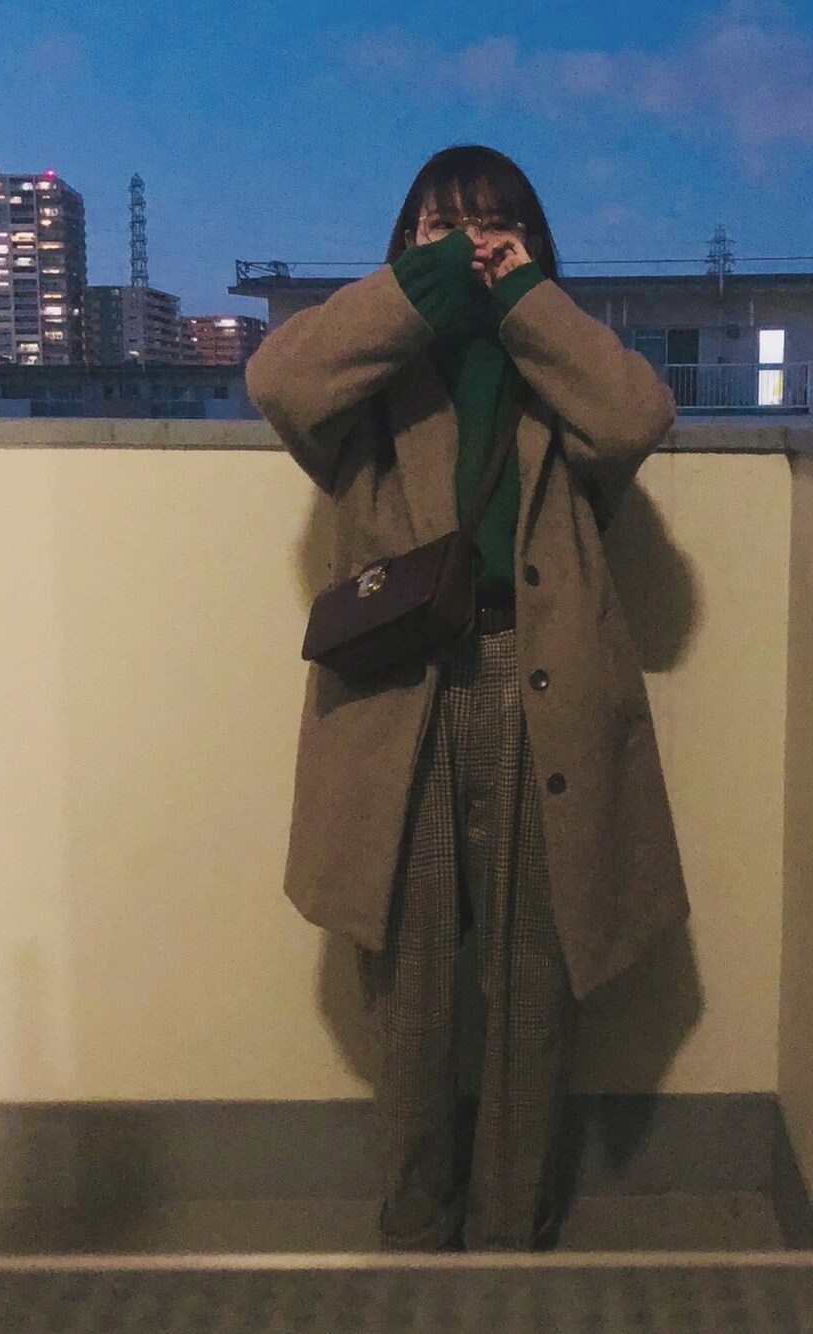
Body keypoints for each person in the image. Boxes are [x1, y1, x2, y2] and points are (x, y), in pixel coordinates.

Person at [245, 145, 689, 1253]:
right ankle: (414, 1230)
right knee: (411, 984)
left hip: (539, 683)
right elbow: (279, 384)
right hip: (402, 692)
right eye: (441, 227)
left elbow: (637, 415)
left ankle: (510, 1234)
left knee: (535, 976)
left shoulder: (554, 364)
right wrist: (427, 289)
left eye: (495, 227)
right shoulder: (373, 376)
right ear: (405, 247)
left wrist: (523, 300)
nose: (471, 245)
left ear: (534, 247)